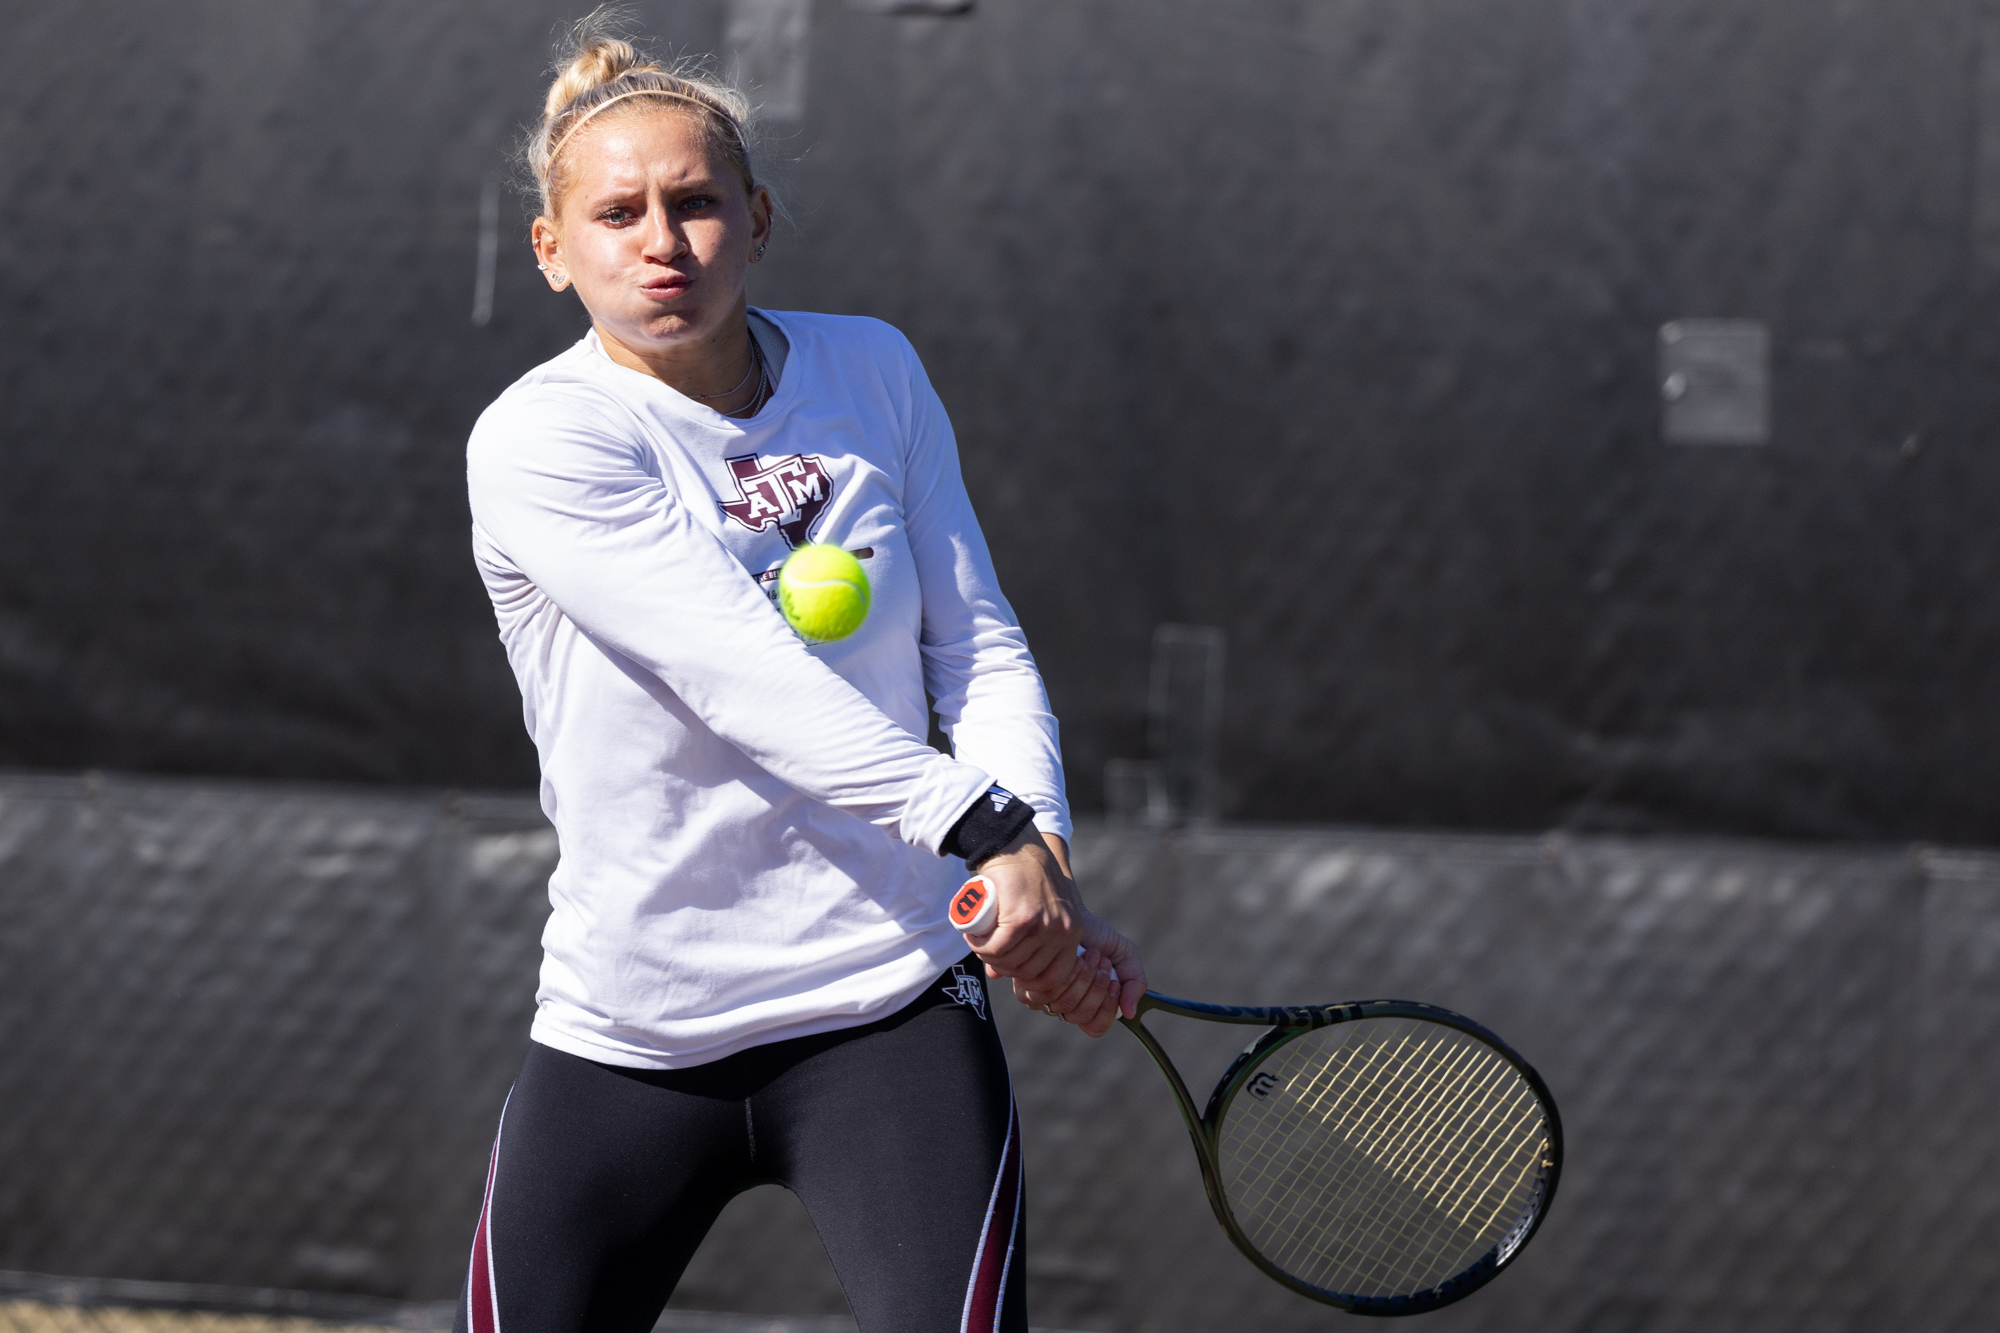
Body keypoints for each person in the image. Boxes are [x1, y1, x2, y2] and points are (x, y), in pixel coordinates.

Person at [454, 14, 1145, 1333]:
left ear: (757, 220)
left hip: (888, 1011)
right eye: (617, 213)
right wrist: (982, 826)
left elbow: (977, 640)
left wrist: (1041, 854)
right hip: (632, 1032)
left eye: (698, 202)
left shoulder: (869, 369)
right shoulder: (541, 440)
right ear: (553, 251)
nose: (662, 240)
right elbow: (740, 677)